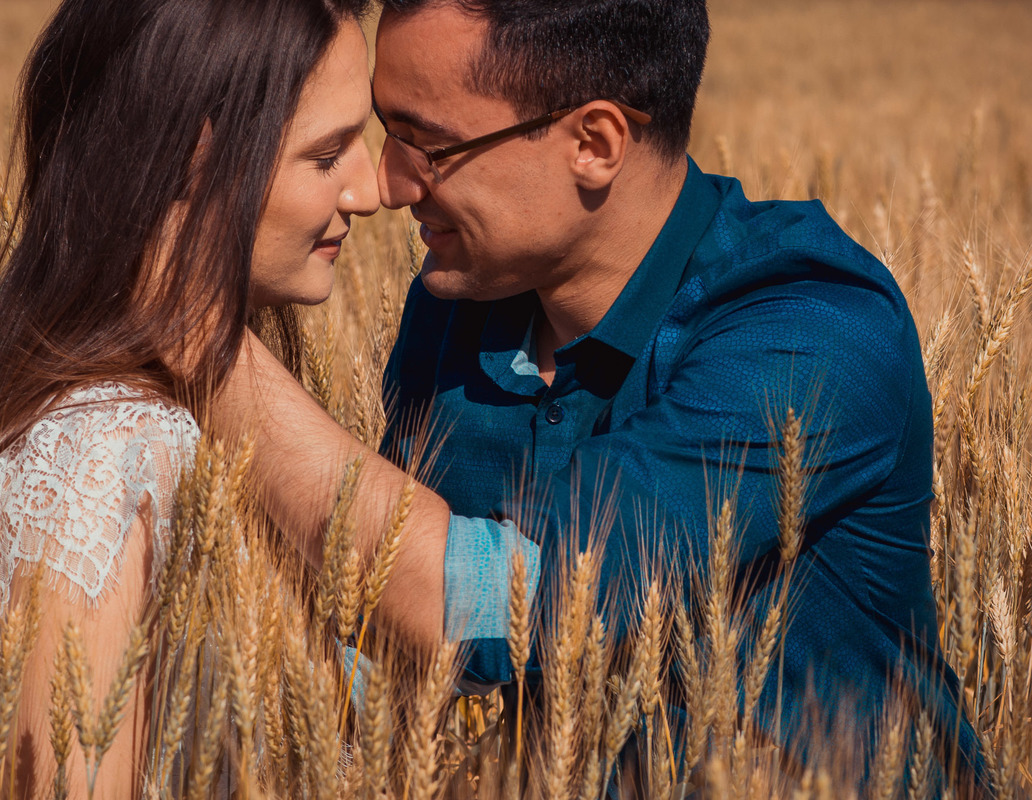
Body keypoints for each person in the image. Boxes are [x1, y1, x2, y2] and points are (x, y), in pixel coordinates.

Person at [211, 0, 989, 793]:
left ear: (594, 143)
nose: (388, 182)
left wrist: (195, 338)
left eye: (430, 145)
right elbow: (388, 645)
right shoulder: (453, 309)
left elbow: (501, 605)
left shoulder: (810, 326)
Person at [0, 0, 377, 796]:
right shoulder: (104, 463)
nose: (370, 191)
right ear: (200, 159)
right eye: (328, 154)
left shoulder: (167, 426)